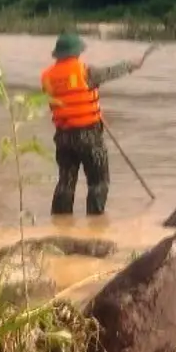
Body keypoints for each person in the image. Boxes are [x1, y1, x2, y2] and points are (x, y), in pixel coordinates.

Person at [40, 31, 145, 216]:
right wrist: (132, 64)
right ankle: (95, 222)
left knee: (65, 183)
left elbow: (64, 96)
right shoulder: (87, 72)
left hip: (63, 136)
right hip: (88, 135)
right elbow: (111, 72)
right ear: (76, 52)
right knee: (98, 182)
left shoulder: (47, 77)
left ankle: (60, 223)